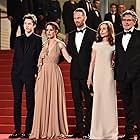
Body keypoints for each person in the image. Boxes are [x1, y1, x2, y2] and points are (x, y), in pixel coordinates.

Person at [30, 22, 72, 139]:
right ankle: (42, 129)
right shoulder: (44, 44)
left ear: (56, 31)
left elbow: (68, 59)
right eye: (47, 30)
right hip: (42, 75)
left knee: (53, 100)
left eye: (51, 30)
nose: (49, 32)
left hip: (54, 74)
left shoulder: (60, 44)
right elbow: (39, 62)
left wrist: (83, 57)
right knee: (41, 101)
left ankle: (54, 129)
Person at [9, 14, 42, 138]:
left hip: (30, 74)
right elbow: (15, 58)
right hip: (17, 75)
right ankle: (17, 130)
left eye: (29, 23)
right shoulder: (18, 39)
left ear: (34, 25)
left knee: (30, 102)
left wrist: (36, 73)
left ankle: (28, 131)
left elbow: (39, 59)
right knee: (16, 102)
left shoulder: (38, 39)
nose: (26, 26)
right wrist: (14, 72)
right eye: (25, 23)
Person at [67, 8, 96, 138]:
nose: (76, 20)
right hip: (74, 74)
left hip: (88, 75)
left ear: (84, 18)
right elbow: (68, 52)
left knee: (89, 103)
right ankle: (79, 129)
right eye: (74, 18)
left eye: (78, 17)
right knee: (77, 102)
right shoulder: (71, 34)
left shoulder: (93, 34)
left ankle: (88, 130)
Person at [87, 21, 118, 139]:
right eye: (100, 29)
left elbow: (115, 62)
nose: (102, 31)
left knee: (109, 102)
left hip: (109, 75)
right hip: (98, 76)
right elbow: (92, 62)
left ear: (109, 30)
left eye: (104, 29)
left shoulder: (114, 45)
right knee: (98, 102)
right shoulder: (96, 44)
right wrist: (89, 77)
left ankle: (110, 132)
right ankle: (97, 132)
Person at [114, 10, 140, 140]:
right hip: (123, 76)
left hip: (138, 77)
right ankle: (129, 133)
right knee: (127, 106)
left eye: (129, 20)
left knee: (138, 105)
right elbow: (117, 58)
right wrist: (116, 75)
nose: (126, 22)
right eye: (124, 20)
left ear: (134, 22)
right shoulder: (118, 36)